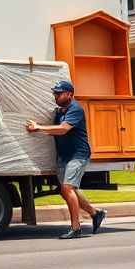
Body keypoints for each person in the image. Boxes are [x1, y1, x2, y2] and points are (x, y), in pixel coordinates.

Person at [26, 80, 107, 239]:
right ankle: (95, 213)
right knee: (69, 191)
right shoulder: (60, 111)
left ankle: (76, 228)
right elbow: (56, 131)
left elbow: (63, 129)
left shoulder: (75, 109)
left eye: (59, 93)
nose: (55, 95)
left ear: (69, 94)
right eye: (54, 93)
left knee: (67, 188)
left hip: (78, 155)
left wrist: (39, 128)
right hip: (64, 155)